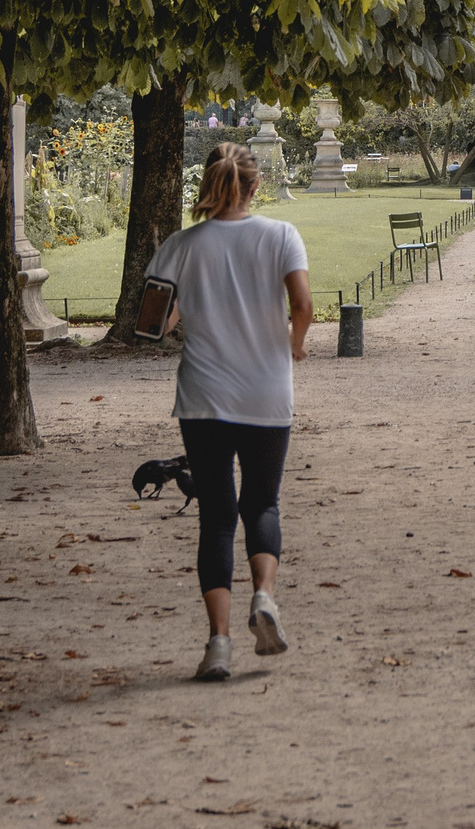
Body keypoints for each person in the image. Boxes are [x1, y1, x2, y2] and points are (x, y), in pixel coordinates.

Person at [141, 142, 313, 683]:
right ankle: (264, 597)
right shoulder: (281, 236)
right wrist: (295, 345)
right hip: (266, 392)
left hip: (204, 398)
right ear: (255, 186)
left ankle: (218, 644)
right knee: (262, 503)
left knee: (216, 517)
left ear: (208, 184)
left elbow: (152, 325)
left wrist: (184, 309)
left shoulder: (179, 246)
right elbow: (303, 305)